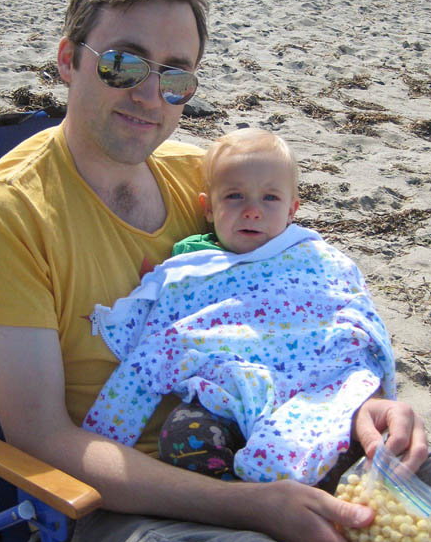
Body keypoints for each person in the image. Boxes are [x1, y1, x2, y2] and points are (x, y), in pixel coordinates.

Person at [0, 0, 431, 542]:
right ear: (67, 59)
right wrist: (251, 506)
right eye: (124, 64)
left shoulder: (207, 180)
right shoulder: (6, 215)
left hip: (295, 443)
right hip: (131, 518)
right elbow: (43, 439)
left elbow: (290, 321)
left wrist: (359, 402)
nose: (150, 95)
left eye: (176, 76)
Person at [84, 128, 397, 487]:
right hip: (223, 395)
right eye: (234, 197)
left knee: (337, 443)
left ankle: (321, 493)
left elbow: (354, 312)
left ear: (292, 209)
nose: (252, 211)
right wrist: (108, 433)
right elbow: (157, 342)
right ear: (208, 208)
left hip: (311, 389)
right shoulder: (191, 267)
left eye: (270, 199)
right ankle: (233, 497)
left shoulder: (314, 256)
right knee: (184, 436)